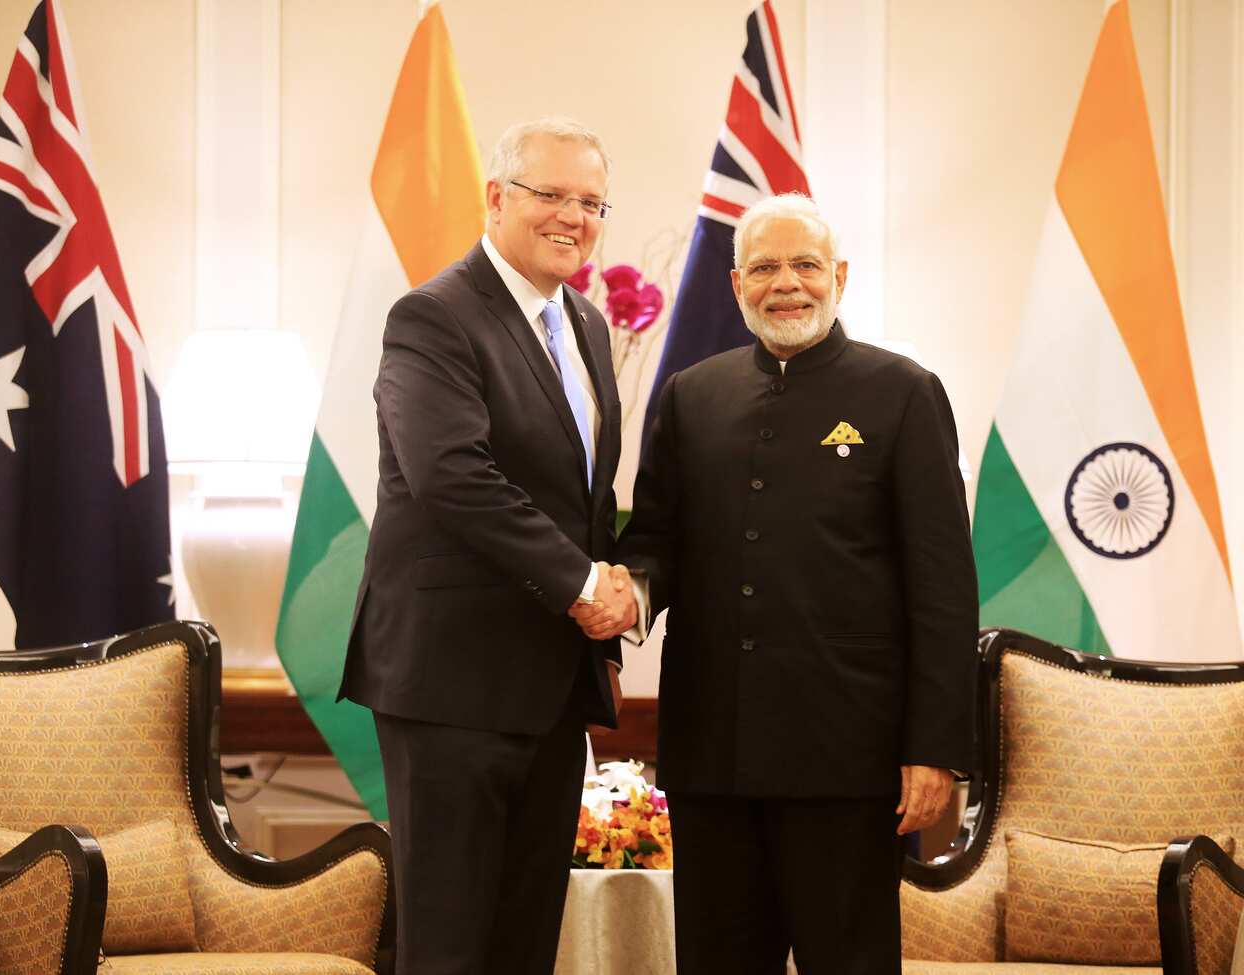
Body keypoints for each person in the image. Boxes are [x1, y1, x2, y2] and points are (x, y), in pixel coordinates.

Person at [576, 192, 977, 974]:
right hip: (711, 750)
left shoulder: (903, 393)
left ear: (840, 276)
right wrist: (628, 595)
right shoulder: (693, 395)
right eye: (764, 267)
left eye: (805, 264)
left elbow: (943, 586)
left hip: (850, 757)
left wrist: (935, 749)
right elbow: (655, 539)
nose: (785, 283)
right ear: (735, 285)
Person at [339, 117, 637, 975]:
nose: (572, 217)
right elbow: (452, 478)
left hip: (548, 686)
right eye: (551, 194)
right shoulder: (432, 317)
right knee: (450, 943)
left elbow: (584, 499)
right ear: (498, 197)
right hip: (451, 684)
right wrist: (586, 584)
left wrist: (615, 605)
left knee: (521, 941)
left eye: (591, 201)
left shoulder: (581, 323)